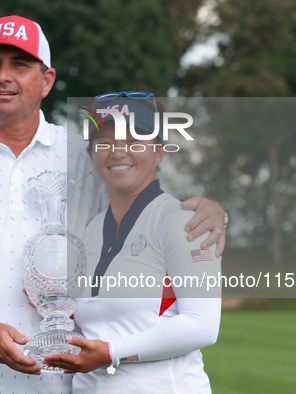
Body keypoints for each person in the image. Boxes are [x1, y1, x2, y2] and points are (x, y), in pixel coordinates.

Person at [0, 15, 226, 394]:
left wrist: (210, 212)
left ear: (46, 80)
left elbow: (143, 202)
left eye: (20, 64)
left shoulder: (82, 155)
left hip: (52, 384)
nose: (3, 76)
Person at [44, 92, 222, 393]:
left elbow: (202, 325)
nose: (117, 152)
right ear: (91, 154)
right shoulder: (92, 229)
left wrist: (111, 352)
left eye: (133, 140)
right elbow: (104, 321)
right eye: (105, 142)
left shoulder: (184, 221)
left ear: (159, 151)